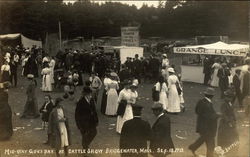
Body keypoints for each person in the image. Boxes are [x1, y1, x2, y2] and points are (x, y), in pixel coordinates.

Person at [188, 87, 220, 157]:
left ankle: (193, 147)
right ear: (212, 96)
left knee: (204, 139)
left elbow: (197, 111)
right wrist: (217, 115)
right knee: (210, 143)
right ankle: (208, 154)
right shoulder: (208, 104)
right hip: (207, 128)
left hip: (202, 126)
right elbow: (209, 116)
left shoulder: (201, 101)